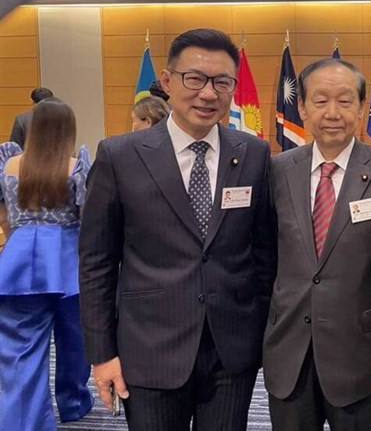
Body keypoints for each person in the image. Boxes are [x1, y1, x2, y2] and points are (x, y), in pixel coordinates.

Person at [79, 28, 277, 431]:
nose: (208, 93)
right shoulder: (120, 156)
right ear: (168, 82)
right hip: (150, 350)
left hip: (231, 351)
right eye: (195, 78)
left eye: (222, 82)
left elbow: (264, 253)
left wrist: (256, 330)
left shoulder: (254, 154)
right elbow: (97, 262)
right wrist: (101, 354)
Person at [263, 58, 371, 431]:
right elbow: (263, 260)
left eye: (346, 101)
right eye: (320, 100)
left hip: (359, 354)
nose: (333, 113)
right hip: (289, 352)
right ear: (301, 107)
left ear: (363, 107)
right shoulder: (278, 170)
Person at [0, 98, 93, 430]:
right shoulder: (77, 166)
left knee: (19, 350)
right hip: (68, 261)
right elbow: (87, 218)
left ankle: (20, 418)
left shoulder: (7, 165)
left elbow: (6, 218)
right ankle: (73, 402)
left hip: (17, 261)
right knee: (75, 342)